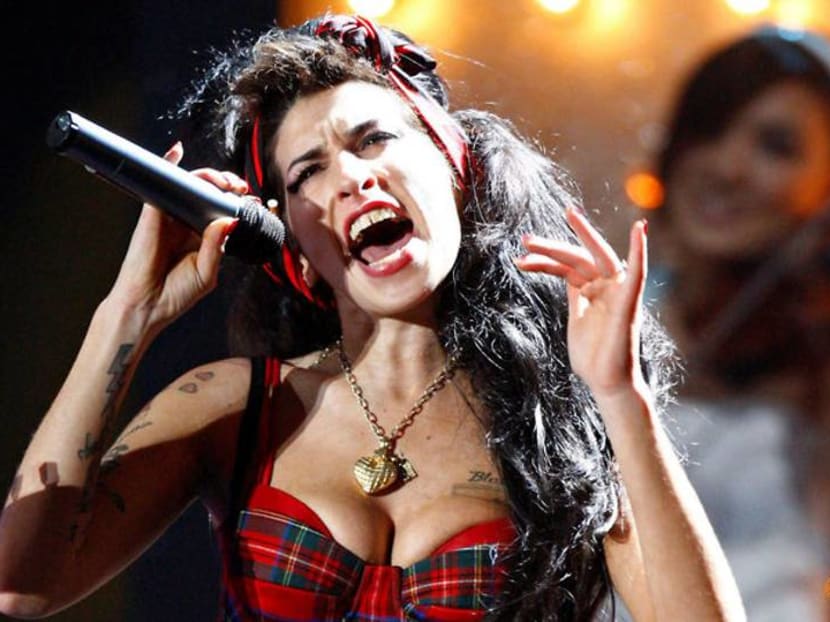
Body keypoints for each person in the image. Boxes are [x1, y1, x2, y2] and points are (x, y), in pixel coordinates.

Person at [0, 14, 744, 621]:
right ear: (293, 247)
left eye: (374, 140)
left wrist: (619, 395)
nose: (352, 177)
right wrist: (126, 314)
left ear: (455, 169)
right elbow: (21, 587)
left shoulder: (557, 415)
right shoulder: (236, 407)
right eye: (308, 172)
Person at [647, 24, 830, 621]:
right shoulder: (611, 311)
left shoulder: (816, 362)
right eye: (709, 128)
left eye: (776, 146)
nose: (727, 166)